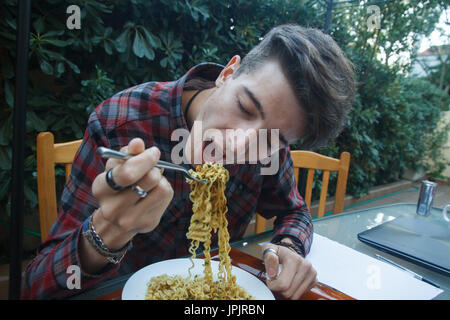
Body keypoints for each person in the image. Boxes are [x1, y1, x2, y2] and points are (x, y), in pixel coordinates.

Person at [22, 24, 355, 299]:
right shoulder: (121, 124)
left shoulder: (269, 150)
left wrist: (288, 245)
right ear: (228, 73)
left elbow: (294, 211)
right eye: (244, 107)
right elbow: (35, 287)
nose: (238, 144)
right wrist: (106, 233)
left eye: (275, 137)